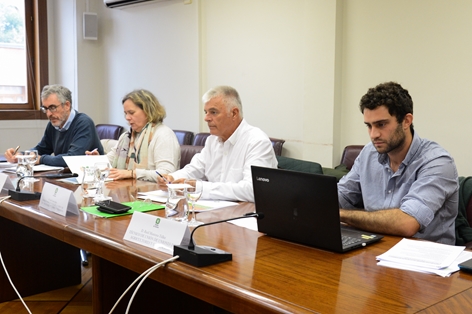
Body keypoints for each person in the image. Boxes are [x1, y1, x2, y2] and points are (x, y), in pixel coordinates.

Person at [338, 81, 458, 244]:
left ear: (406, 121)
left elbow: (407, 223)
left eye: (381, 124)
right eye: (369, 126)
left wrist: (341, 214)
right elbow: (341, 195)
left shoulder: (437, 162)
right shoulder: (368, 153)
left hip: (423, 260)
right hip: (374, 250)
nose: (373, 134)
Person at [159, 85, 277, 202]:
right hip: (215, 211)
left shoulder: (257, 142)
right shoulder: (212, 140)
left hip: (245, 215)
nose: (206, 118)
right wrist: (172, 178)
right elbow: (195, 169)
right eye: (206, 112)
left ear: (234, 113)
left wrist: (200, 187)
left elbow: (252, 190)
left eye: (213, 112)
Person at [87, 89, 180, 182]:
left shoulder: (163, 134)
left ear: (148, 111)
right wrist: (97, 160)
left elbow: (166, 173)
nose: (127, 118)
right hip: (128, 191)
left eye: (131, 113)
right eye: (126, 113)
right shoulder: (126, 136)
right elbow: (110, 162)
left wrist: (132, 173)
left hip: (154, 193)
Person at [4, 85, 103, 167]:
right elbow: (41, 149)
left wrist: (41, 159)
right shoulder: (54, 123)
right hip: (65, 178)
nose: (48, 114)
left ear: (67, 105)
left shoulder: (83, 123)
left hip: (88, 182)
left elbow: (72, 158)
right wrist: (20, 155)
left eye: (52, 107)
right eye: (45, 108)